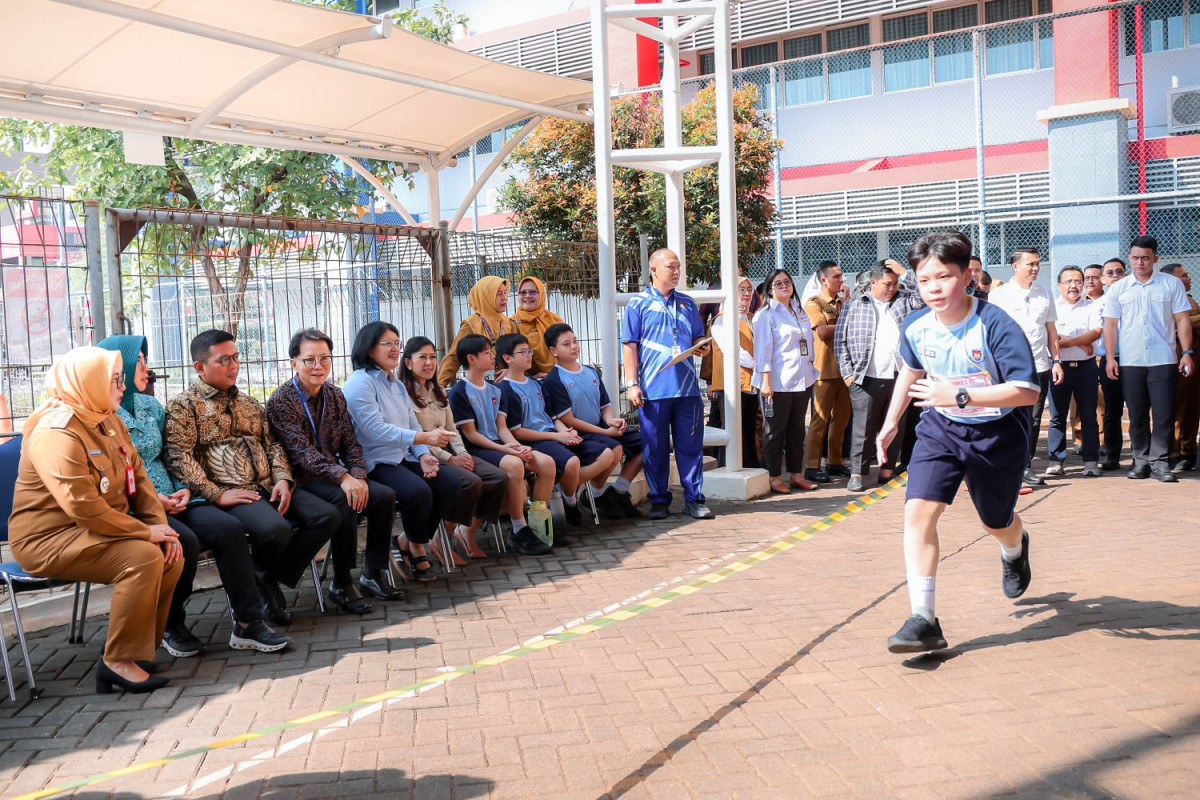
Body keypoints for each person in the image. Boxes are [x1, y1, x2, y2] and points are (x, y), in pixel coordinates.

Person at [877, 231, 1039, 655]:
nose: (934, 288)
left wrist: (962, 395)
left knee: (994, 521)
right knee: (918, 516)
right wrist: (891, 422)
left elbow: (1026, 390)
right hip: (940, 428)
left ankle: (1014, 547)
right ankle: (923, 619)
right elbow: (910, 373)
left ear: (967, 275)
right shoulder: (914, 325)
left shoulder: (995, 324)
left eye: (944, 277)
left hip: (997, 434)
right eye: (925, 279)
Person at [97, 336, 288, 656]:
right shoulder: (103, 418)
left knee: (227, 530)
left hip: (178, 496)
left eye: (145, 359)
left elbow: (170, 455)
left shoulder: (148, 405)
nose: (146, 368)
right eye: (139, 361)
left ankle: (247, 623)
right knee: (183, 542)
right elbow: (116, 475)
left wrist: (182, 487)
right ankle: (171, 622)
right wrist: (157, 497)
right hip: (136, 504)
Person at [8, 347, 183, 694]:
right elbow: (82, 507)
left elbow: (141, 483)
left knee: (169, 554)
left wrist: (160, 529)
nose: (123, 387)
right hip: (48, 539)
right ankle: (116, 662)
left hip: (96, 529)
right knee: (142, 558)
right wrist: (144, 532)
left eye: (121, 378)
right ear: (87, 383)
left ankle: (137, 652)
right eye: (114, 380)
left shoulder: (105, 417)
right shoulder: (56, 434)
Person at [165, 330, 338, 629]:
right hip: (233, 491)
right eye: (224, 360)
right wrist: (216, 494)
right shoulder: (184, 406)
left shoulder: (247, 402)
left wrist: (283, 479)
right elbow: (179, 457)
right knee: (275, 529)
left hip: (269, 484)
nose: (234, 365)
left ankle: (265, 578)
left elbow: (272, 444)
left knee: (326, 516)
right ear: (200, 367)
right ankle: (262, 585)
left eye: (236, 358)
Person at [267, 328, 406, 613]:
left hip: (335, 475)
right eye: (309, 360)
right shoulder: (282, 401)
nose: (318, 366)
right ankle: (341, 582)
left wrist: (357, 475)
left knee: (382, 495)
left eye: (324, 358)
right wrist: (343, 477)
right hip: (301, 478)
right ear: (293, 362)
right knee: (344, 503)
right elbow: (300, 453)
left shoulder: (335, 394)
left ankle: (372, 573)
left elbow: (351, 442)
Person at [343, 322, 462, 580]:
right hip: (375, 461)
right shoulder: (359, 384)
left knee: (449, 483)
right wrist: (424, 438)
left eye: (397, 343)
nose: (395, 348)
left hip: (401, 456)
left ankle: (408, 539)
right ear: (369, 348)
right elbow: (376, 431)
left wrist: (424, 454)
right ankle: (417, 545)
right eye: (387, 343)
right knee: (418, 492)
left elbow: (411, 424)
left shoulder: (394, 384)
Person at [623, 248, 714, 520]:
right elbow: (629, 346)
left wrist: (701, 347)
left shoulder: (687, 302)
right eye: (671, 267)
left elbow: (697, 337)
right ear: (654, 269)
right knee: (655, 446)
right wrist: (631, 383)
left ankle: (694, 498)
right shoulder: (637, 304)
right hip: (653, 389)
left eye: (678, 267)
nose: (676, 272)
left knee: (690, 446)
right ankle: (659, 499)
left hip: (687, 389)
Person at [497, 333, 618, 536]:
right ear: (507, 358)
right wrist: (557, 437)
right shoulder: (506, 389)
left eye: (530, 351)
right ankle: (546, 522)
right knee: (570, 463)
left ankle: (568, 497)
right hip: (536, 441)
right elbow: (516, 430)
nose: (529, 355)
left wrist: (565, 431)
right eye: (523, 352)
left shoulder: (536, 384)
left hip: (555, 435)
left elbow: (553, 417)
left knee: (608, 454)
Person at [400, 336, 508, 560]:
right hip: (425, 456)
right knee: (470, 483)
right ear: (408, 363)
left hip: (451, 453)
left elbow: (452, 430)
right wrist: (451, 458)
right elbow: (421, 440)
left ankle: (463, 531)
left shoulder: (439, 390)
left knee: (498, 478)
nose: (429, 363)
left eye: (432, 357)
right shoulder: (404, 395)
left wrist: (463, 453)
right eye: (422, 358)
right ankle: (438, 538)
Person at [449, 333, 554, 555]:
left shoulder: (496, 389)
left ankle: (538, 525)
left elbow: (503, 429)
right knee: (515, 465)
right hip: (478, 449)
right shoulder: (460, 392)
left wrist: (517, 446)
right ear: (471, 359)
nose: (492, 356)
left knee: (545, 463)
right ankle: (519, 529)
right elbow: (472, 435)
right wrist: (505, 450)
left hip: (500, 445)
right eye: (486, 353)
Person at [1102, 237, 1194, 482]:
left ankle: (1160, 462)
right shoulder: (1119, 289)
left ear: (1155, 258)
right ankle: (1140, 461)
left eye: (1145, 257)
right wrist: (1110, 357)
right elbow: (1110, 325)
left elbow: (1182, 319)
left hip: (1163, 359)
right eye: (1135, 257)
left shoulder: (1170, 284)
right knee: (1136, 413)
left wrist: (1186, 352)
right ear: (1130, 257)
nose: (1140, 262)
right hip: (1131, 361)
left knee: (1164, 413)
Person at [834, 259, 925, 492]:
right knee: (862, 428)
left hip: (899, 374)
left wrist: (905, 273)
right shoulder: (853, 305)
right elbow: (840, 342)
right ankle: (857, 473)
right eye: (887, 284)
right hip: (865, 376)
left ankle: (886, 471)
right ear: (872, 283)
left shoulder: (904, 301)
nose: (892, 288)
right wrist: (847, 375)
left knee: (896, 423)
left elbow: (922, 296)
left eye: (895, 283)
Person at [543, 322, 643, 519]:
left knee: (644, 444)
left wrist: (611, 421)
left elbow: (604, 405)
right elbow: (568, 419)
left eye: (575, 341)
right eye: (566, 344)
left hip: (600, 428)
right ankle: (587, 495)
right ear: (554, 351)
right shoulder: (554, 379)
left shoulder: (590, 372)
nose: (574, 346)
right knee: (613, 449)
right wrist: (606, 432)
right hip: (579, 434)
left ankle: (617, 492)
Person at [987, 247, 1063, 486]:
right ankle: (1000, 465)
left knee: (1033, 418)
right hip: (1006, 367)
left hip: (1039, 365)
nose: (1035, 268)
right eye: (1030, 263)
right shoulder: (999, 295)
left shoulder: (1045, 294)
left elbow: (1051, 330)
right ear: (1015, 266)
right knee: (1004, 416)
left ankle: (1025, 466)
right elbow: (992, 333)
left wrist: (1057, 361)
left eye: (1038, 263)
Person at [752, 267, 819, 495]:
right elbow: (763, 351)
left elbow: (807, 344)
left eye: (787, 282)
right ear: (770, 289)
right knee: (774, 432)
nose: (784, 286)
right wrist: (766, 382)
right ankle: (774, 476)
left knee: (797, 430)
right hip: (777, 383)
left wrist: (811, 370)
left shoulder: (799, 311)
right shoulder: (766, 315)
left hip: (802, 381)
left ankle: (796, 475)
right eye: (778, 283)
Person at [1045, 267, 1102, 476]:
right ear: (1059, 285)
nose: (1073, 286)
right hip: (1058, 367)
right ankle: (1056, 460)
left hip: (1086, 367)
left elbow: (1095, 333)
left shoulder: (1091, 307)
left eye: (1078, 281)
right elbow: (1050, 336)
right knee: (1057, 416)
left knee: (1089, 415)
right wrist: (1080, 342)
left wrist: (1065, 341)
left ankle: (1090, 460)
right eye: (1068, 281)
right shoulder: (1052, 309)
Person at [803, 261, 851, 483]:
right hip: (824, 370)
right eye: (836, 276)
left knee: (841, 419)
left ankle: (835, 461)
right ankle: (812, 466)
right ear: (823, 279)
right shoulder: (815, 304)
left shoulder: (843, 303)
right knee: (820, 419)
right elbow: (822, 331)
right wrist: (848, 322)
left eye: (841, 276)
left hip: (844, 370)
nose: (841, 280)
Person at [708, 275, 760, 469]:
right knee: (730, 429)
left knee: (748, 428)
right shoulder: (722, 320)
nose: (746, 294)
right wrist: (758, 363)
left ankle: (750, 466)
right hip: (731, 383)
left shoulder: (752, 318)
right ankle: (726, 466)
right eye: (741, 289)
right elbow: (734, 351)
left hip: (751, 382)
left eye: (748, 290)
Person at [438, 276, 515, 386]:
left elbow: (519, 354)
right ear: (486, 297)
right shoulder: (471, 325)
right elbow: (453, 358)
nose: (504, 298)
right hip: (481, 387)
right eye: (498, 294)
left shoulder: (509, 324)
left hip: (507, 386)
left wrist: (511, 371)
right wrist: (439, 386)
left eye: (505, 292)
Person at [1162, 264, 1200, 472]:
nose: (1189, 278)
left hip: (1194, 365)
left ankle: (1189, 449)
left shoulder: (1190, 298)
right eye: (1184, 275)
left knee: (1191, 408)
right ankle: (1173, 452)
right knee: (1177, 407)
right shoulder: (1167, 300)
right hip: (1176, 361)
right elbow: (1179, 323)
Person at [1098, 258, 1128, 469]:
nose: (1115, 276)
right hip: (1110, 360)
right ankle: (1112, 455)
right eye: (1110, 273)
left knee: (1139, 410)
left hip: (1135, 360)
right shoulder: (1098, 305)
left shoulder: (1134, 297)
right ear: (1102, 279)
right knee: (1112, 410)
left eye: (1119, 272)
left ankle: (1142, 456)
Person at [509, 276, 566, 379]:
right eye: (523, 292)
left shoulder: (554, 320)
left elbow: (566, 351)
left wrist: (552, 375)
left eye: (532, 292)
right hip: (529, 383)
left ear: (541, 294)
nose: (527, 296)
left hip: (560, 377)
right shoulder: (512, 324)